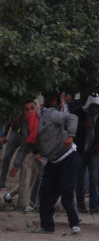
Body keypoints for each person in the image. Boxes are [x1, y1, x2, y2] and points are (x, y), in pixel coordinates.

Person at [10, 99, 81, 234]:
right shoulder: (27, 127)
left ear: (36, 107)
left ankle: (74, 223)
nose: (30, 112)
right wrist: (16, 165)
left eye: (32, 108)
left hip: (68, 157)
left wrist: (71, 135)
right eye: (27, 110)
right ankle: (47, 226)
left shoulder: (50, 114)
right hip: (52, 161)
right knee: (44, 193)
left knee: (66, 191)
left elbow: (72, 118)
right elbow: (25, 147)